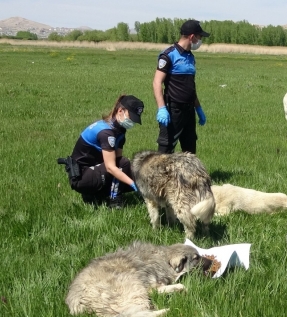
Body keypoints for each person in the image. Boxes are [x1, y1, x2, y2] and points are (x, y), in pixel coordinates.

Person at [66, 95, 144, 208]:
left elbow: (117, 161)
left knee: (127, 168)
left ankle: (96, 194)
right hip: (81, 177)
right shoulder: (106, 133)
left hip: (93, 170)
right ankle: (114, 201)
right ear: (120, 110)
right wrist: (133, 184)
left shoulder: (119, 131)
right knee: (125, 166)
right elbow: (111, 167)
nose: (132, 121)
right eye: (131, 117)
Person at [153, 19, 210, 154]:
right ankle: (160, 175)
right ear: (192, 36)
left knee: (190, 150)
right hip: (174, 110)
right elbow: (156, 82)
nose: (200, 40)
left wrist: (198, 108)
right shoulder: (168, 55)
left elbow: (191, 86)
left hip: (189, 110)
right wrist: (162, 108)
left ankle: (188, 176)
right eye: (200, 37)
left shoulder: (191, 56)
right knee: (165, 150)